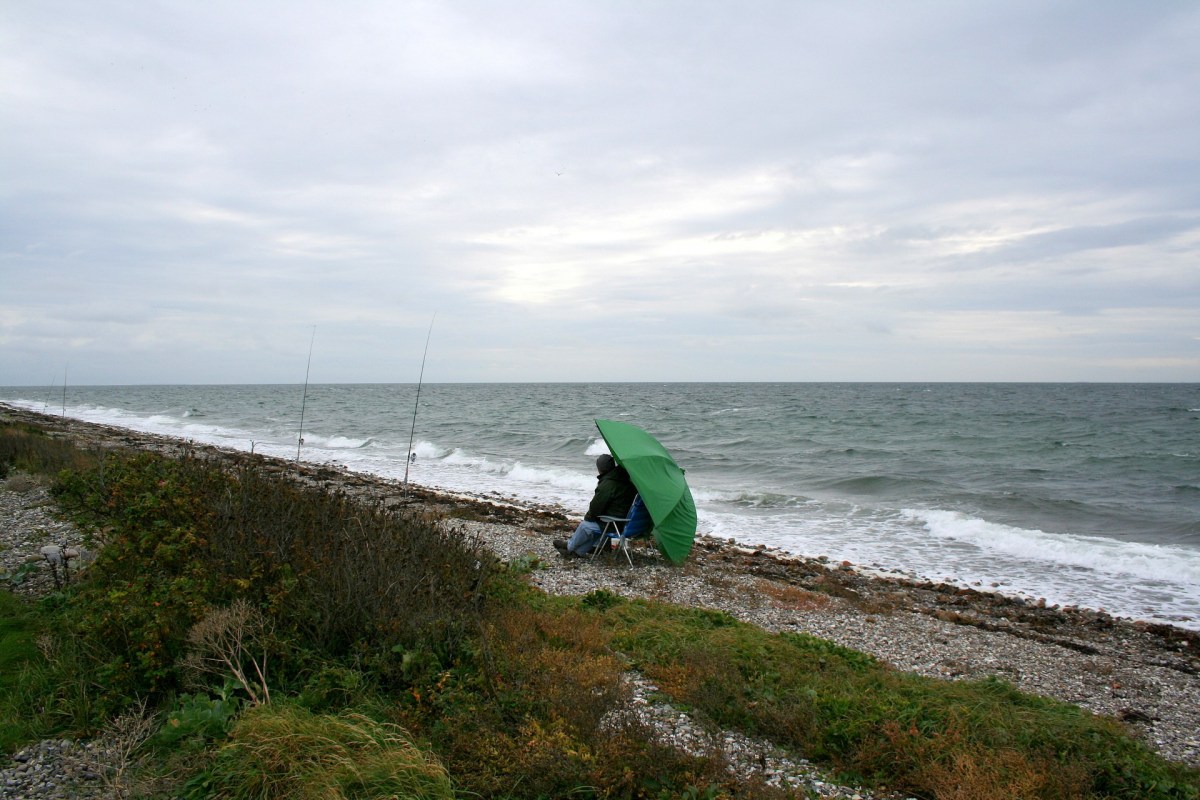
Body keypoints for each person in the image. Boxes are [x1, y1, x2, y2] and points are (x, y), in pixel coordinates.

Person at [554, 453, 637, 557]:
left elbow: (595, 508)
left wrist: (589, 517)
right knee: (593, 526)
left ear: (600, 468)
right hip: (624, 521)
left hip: (614, 523)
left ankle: (569, 547)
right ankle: (577, 552)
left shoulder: (608, 484)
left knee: (586, 526)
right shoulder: (624, 480)